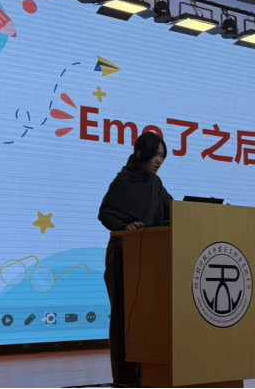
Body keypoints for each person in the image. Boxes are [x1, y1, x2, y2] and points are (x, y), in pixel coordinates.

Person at [98, 132, 173, 386]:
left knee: (146, 319)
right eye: (155, 156)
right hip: (122, 256)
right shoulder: (123, 180)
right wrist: (125, 226)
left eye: (162, 156)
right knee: (124, 320)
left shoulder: (156, 183)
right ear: (140, 154)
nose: (159, 161)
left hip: (148, 258)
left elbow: (173, 211)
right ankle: (125, 379)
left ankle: (147, 376)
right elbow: (105, 213)